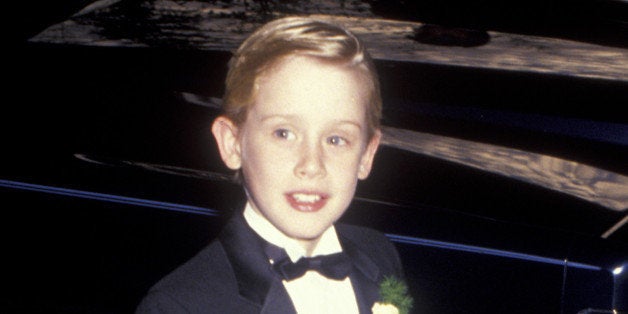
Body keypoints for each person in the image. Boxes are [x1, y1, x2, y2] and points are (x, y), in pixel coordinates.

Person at [136, 16, 407, 314]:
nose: (312, 165)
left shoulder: (378, 253)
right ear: (232, 144)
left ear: (367, 155)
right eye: (284, 134)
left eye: (336, 139)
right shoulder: (181, 305)